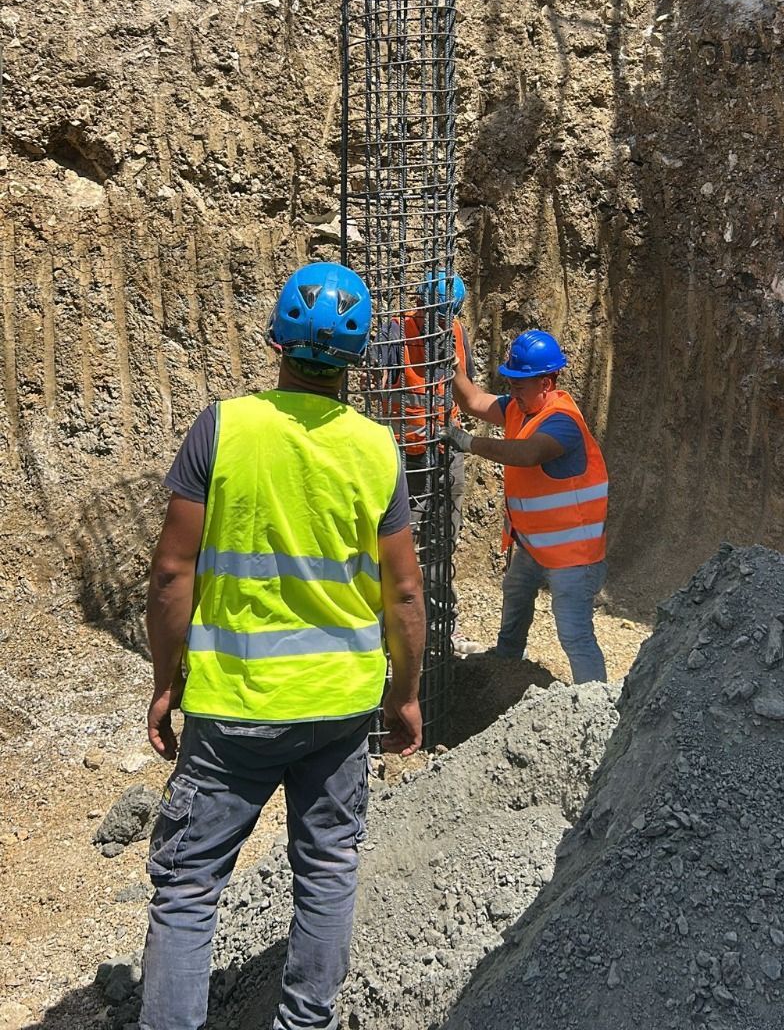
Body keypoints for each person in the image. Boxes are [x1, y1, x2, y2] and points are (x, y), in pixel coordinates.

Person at [140, 261, 425, 1030]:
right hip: (338, 707)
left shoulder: (223, 428)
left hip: (233, 709)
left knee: (191, 886)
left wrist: (167, 681)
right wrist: (404, 693)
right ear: (357, 363)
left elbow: (173, 572)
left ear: (276, 341)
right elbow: (402, 592)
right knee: (328, 870)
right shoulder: (377, 449)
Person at [444, 328, 609, 684]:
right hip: (535, 546)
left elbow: (527, 453)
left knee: (574, 634)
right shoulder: (519, 408)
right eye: (512, 381)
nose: (513, 390)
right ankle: (505, 664)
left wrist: (470, 443)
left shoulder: (562, 421)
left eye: (521, 383)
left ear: (546, 383)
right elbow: (472, 399)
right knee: (516, 594)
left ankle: (595, 704)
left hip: (573, 557)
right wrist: (452, 363)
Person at [378, 271, 478, 649]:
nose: (442, 324)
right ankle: (388, 627)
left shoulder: (455, 331)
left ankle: (439, 626)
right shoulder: (396, 331)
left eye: (448, 315)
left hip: (445, 449)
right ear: (421, 304)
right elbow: (375, 382)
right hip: (404, 453)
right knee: (400, 539)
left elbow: (463, 387)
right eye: (435, 315)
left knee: (442, 537)